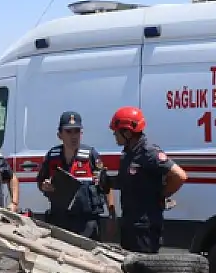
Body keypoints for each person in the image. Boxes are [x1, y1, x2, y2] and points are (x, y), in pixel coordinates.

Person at [103, 106, 187, 253]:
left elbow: (180, 176)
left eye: (116, 132)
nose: (114, 135)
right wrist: (108, 181)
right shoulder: (128, 154)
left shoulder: (149, 153)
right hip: (130, 224)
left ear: (127, 132)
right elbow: (128, 182)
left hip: (145, 228)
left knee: (143, 271)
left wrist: (161, 195)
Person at [35, 111, 112, 240]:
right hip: (60, 220)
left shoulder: (90, 154)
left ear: (81, 133)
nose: (73, 136)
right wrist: (44, 186)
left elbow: (106, 186)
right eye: (68, 131)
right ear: (59, 134)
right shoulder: (52, 156)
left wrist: (111, 214)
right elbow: (40, 181)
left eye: (76, 131)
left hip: (87, 222)